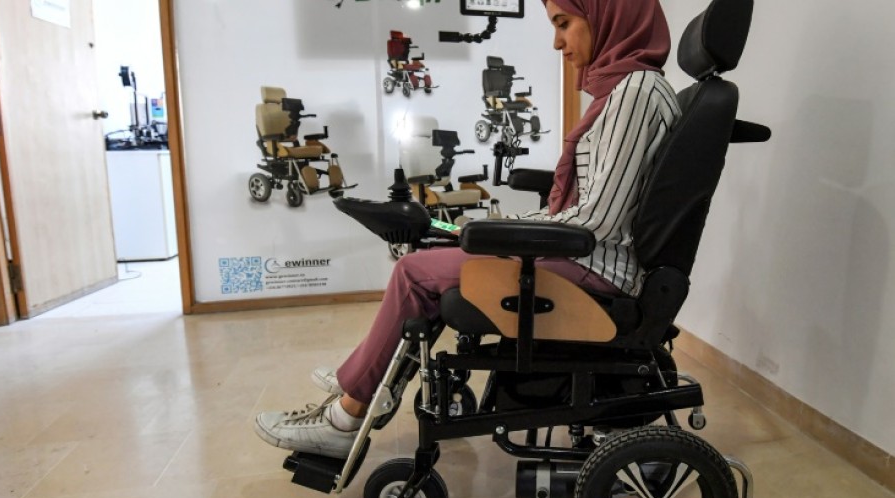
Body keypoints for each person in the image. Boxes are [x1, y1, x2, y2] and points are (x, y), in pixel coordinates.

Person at [253, 0, 681, 459]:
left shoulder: (634, 93)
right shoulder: (628, 90)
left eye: (564, 24)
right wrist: (492, 229)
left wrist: (498, 230)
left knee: (415, 271)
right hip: (587, 256)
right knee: (437, 250)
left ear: (608, 17)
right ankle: (363, 379)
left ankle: (346, 414)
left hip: (594, 266)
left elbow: (597, 221)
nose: (557, 41)